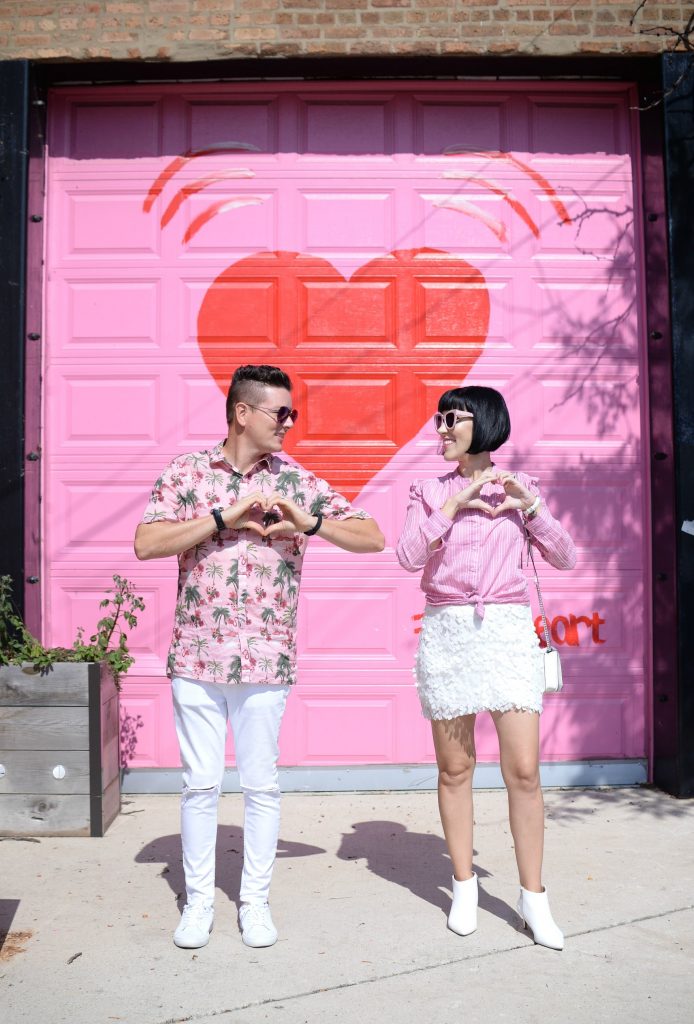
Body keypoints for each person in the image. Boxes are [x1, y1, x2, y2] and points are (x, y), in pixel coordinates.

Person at [134, 364, 384, 950]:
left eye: (292, 413)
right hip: (198, 654)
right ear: (243, 413)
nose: (290, 424)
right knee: (200, 786)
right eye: (281, 413)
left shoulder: (295, 480)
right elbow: (146, 543)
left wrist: (308, 521)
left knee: (262, 786)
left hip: (267, 659)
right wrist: (224, 517)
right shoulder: (188, 473)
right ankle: (198, 904)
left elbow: (372, 535)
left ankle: (254, 903)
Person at [396, 385, 576, 950]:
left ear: (487, 423)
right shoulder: (427, 490)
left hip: (505, 632)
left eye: (453, 418)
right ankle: (464, 886)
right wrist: (452, 508)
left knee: (523, 770)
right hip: (448, 632)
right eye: (440, 418)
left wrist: (534, 508)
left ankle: (533, 898)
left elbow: (567, 557)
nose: (442, 428)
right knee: (455, 770)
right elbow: (406, 557)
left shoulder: (523, 488)